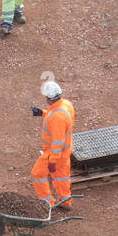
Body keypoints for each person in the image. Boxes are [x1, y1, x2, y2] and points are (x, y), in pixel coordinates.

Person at [30, 80, 75, 209]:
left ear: (48, 98)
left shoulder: (57, 118)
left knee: (37, 174)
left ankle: (47, 204)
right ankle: (66, 202)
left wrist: (52, 161)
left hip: (54, 153)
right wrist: (42, 113)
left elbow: (57, 141)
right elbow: (58, 118)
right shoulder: (66, 104)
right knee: (61, 177)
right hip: (65, 151)